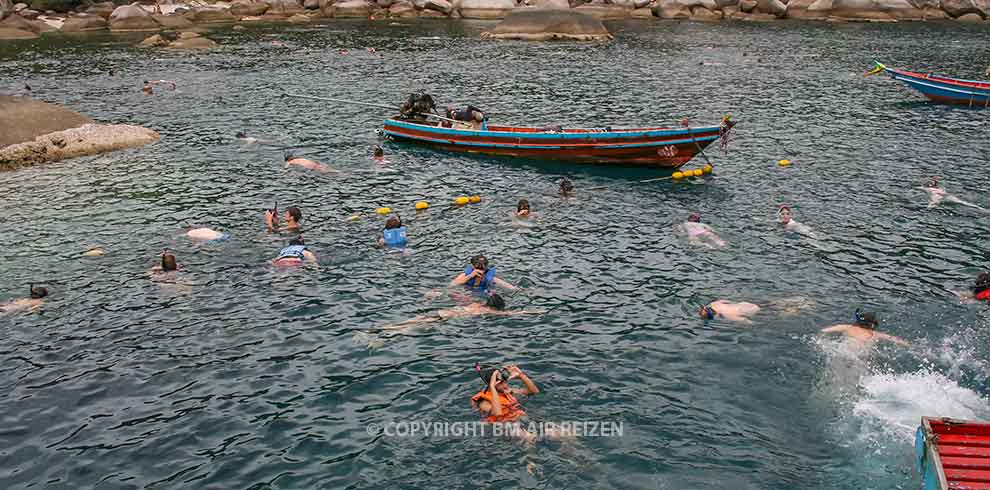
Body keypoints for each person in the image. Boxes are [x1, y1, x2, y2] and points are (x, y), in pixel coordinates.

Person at [383, 294, 542, 331]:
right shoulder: (489, 311)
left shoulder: (477, 303)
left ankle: (386, 327)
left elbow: (461, 300)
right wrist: (533, 312)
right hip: (444, 318)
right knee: (408, 329)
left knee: (410, 321)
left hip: (442, 311)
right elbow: (512, 314)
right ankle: (386, 334)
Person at [820, 309, 908, 346]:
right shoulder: (875, 334)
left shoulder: (846, 327)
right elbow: (896, 340)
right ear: (872, 325)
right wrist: (908, 345)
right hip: (860, 358)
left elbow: (824, 331)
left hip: (843, 352)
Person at [450, 255, 519, 293]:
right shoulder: (465, 276)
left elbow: (511, 288)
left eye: (482, 268)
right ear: (472, 266)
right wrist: (470, 276)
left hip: (482, 293)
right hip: (468, 292)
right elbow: (452, 285)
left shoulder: (491, 278)